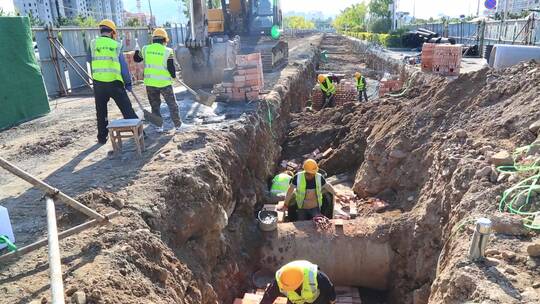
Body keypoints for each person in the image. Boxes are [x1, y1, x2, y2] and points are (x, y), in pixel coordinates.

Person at [91, 19, 138, 144]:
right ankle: (139, 134)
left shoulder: (93, 43)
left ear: (101, 31)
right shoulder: (116, 45)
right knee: (127, 109)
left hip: (98, 83)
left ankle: (101, 137)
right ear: (112, 32)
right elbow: (123, 67)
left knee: (100, 111)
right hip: (114, 83)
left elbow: (89, 59)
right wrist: (128, 82)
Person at [134, 28, 182, 133]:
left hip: (150, 83)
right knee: (172, 104)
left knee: (155, 106)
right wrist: (173, 76)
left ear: (153, 39)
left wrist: (137, 50)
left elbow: (136, 59)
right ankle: (178, 125)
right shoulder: (168, 51)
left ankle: (158, 127)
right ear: (164, 40)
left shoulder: (145, 49)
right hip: (164, 83)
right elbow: (171, 68)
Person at [260, 260, 336, 304]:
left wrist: (332, 301)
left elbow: (329, 289)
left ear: (300, 282)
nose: (291, 290)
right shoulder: (281, 279)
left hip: (317, 300)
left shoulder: (314, 276)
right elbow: (269, 296)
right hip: (296, 302)